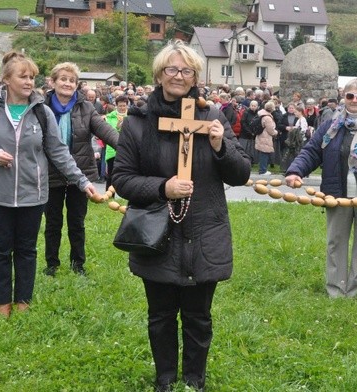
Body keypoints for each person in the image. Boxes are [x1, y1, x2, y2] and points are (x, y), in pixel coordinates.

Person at [111, 40, 251, 391]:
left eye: (186, 70)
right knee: (160, 315)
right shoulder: (139, 122)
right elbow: (122, 178)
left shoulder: (211, 117)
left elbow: (241, 174)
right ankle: (165, 379)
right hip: (158, 233)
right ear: (159, 74)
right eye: (171, 69)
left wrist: (220, 147)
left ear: (194, 77)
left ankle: (194, 380)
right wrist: (163, 187)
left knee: (198, 317)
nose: (178, 76)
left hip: (204, 230)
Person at [0, 51, 98, 317]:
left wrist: (83, 182)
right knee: (0, 250)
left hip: (33, 195)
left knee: (27, 249)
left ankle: (23, 303)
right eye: (22, 76)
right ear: (6, 79)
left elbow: (59, 152)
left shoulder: (42, 112)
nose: (28, 82)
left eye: (32, 77)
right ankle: (2, 304)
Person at [285, 78, 357, 298]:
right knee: (335, 242)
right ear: (344, 97)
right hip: (336, 193)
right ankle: (336, 290)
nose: (354, 100)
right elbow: (312, 151)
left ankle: (355, 291)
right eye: (350, 95)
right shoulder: (331, 126)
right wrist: (295, 171)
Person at [42, 62, 119, 277]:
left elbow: (106, 131)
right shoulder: (41, 106)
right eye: (63, 79)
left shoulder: (86, 107)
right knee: (52, 223)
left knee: (77, 222)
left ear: (77, 84)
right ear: (53, 82)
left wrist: (125, 147)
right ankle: (52, 264)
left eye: (72, 80)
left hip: (80, 174)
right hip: (50, 172)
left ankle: (78, 264)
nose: (67, 83)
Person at [103, 95, 129, 191]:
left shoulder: (130, 116)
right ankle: (109, 194)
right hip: (112, 149)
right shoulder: (110, 117)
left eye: (124, 106)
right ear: (116, 106)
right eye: (120, 106)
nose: (122, 108)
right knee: (111, 173)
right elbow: (107, 132)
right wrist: (118, 127)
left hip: (127, 149)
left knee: (125, 173)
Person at [255, 100, 278, 175]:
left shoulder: (261, 114)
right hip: (265, 137)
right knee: (264, 154)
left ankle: (262, 169)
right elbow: (270, 130)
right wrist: (276, 132)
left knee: (263, 153)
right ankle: (263, 170)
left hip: (260, 135)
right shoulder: (268, 117)